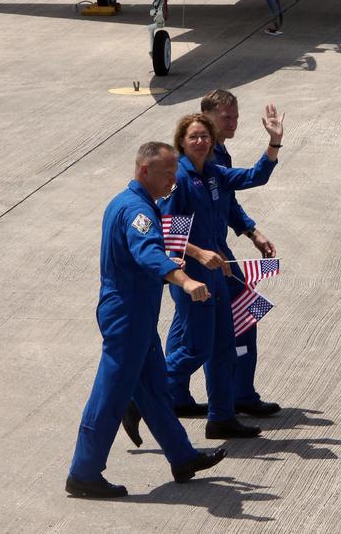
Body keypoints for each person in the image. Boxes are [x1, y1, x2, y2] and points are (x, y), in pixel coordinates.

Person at [66, 142, 226, 499]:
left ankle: (182, 457)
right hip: (127, 316)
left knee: (154, 388)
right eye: (168, 174)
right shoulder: (137, 211)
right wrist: (185, 281)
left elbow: (152, 246)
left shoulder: (126, 203)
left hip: (134, 314)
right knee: (110, 395)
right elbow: (148, 251)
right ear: (144, 172)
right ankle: (84, 472)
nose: (173, 181)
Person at [158, 105, 284, 440]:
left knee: (225, 346)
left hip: (220, 271)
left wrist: (273, 144)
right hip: (192, 276)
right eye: (193, 137)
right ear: (182, 143)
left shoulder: (213, 173)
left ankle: (222, 416)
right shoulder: (180, 181)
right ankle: (141, 395)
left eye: (204, 136)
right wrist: (200, 254)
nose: (200, 141)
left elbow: (253, 177)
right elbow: (169, 235)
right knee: (196, 347)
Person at [203, 89, 281, 417]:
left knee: (190, 333)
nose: (234, 123)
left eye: (236, 116)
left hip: (212, 252)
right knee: (244, 315)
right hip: (207, 256)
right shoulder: (202, 158)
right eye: (226, 118)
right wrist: (274, 144)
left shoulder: (219, 151)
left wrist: (251, 231)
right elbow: (253, 178)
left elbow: (227, 200)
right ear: (207, 117)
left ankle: (173, 393)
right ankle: (240, 395)